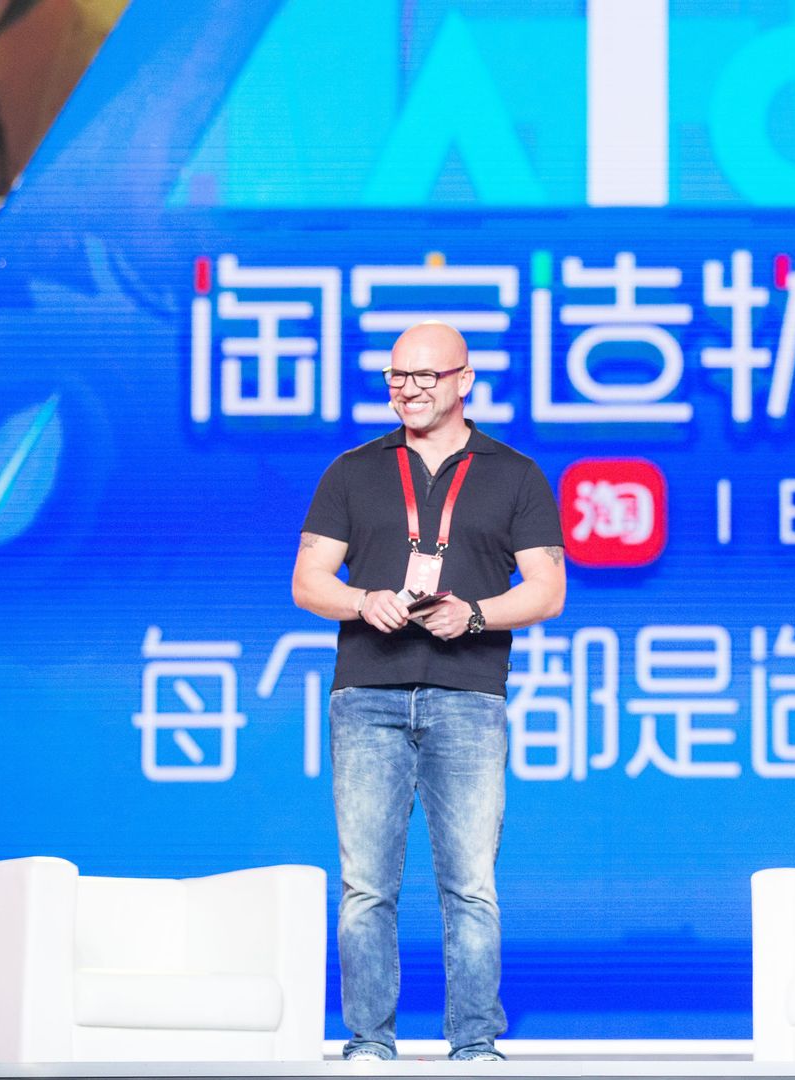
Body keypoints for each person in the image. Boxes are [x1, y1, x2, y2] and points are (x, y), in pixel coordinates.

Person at [292, 321, 565, 1062]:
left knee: (471, 886)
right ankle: (368, 1044)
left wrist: (473, 613)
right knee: (366, 888)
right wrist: (362, 602)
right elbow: (308, 580)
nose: (408, 391)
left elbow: (547, 591)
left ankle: (475, 1045)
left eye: (425, 377)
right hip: (367, 695)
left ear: (464, 380)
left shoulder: (514, 473)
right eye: (396, 378)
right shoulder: (354, 469)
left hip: (468, 694)